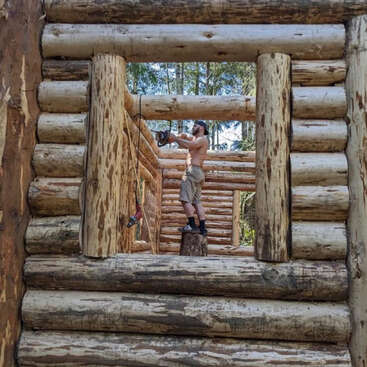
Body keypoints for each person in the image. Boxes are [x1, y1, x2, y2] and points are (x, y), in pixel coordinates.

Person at [168, 120, 209, 236]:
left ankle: (191, 225)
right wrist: (175, 136)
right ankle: (202, 228)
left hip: (192, 172)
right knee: (197, 201)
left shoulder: (202, 139)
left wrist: (175, 139)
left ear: (202, 128)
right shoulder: (196, 139)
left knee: (184, 199)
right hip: (199, 173)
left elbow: (191, 145)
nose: (193, 127)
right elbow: (185, 139)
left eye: (195, 125)